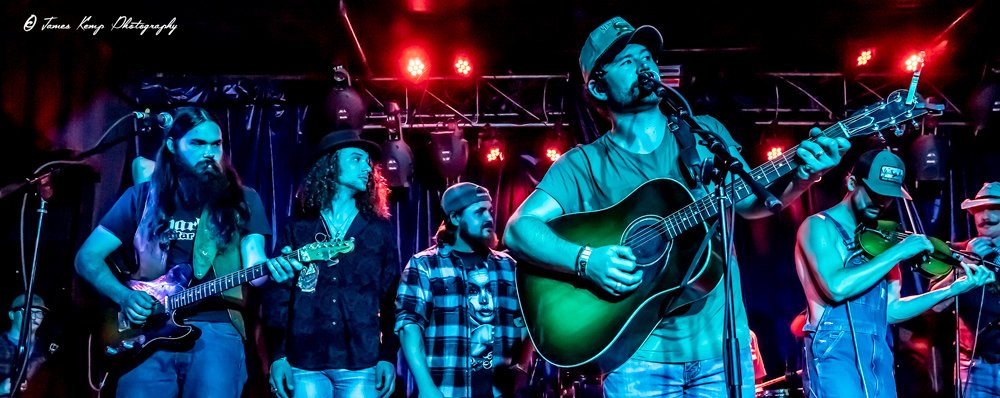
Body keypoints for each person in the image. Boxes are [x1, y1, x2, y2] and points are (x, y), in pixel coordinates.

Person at [504, 16, 849, 397]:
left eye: (647, 56)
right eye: (627, 61)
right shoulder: (583, 164)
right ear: (599, 87)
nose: (646, 65)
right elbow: (519, 229)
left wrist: (806, 176)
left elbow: (751, 202)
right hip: (636, 357)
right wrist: (587, 259)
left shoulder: (704, 135)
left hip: (723, 349)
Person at [74, 106, 272, 398]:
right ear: (172, 146)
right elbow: (87, 258)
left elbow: (257, 272)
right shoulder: (141, 198)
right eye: (197, 143)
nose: (209, 153)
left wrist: (275, 268)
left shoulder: (243, 199)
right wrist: (125, 297)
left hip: (216, 327)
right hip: (146, 332)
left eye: (215, 145)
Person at [794, 149, 994, 398]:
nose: (881, 201)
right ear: (852, 182)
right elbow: (836, 287)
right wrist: (898, 253)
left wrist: (950, 289)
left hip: (878, 348)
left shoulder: (881, 241)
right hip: (834, 347)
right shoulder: (819, 226)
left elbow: (892, 311)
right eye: (874, 192)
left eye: (888, 196)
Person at [263, 129, 399, 398]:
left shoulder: (378, 230)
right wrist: (277, 356)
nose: (367, 168)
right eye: (357, 159)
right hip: (304, 360)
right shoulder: (299, 228)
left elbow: (392, 297)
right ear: (330, 164)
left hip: (361, 360)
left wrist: (388, 355)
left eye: (368, 162)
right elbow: (279, 296)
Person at [396, 182, 530, 398]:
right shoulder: (425, 265)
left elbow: (528, 323)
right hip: (446, 391)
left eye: (489, 211)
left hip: (500, 393)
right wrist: (427, 388)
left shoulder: (509, 266)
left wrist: (522, 367)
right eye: (479, 212)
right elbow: (408, 327)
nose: (488, 218)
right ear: (456, 218)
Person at [929, 181, 1000, 397]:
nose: (985, 216)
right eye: (979, 209)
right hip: (974, 368)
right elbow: (934, 304)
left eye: (994, 209)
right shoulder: (955, 253)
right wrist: (965, 267)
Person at [0, 294, 49, 396]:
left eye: (39, 312)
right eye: (28, 311)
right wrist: (1, 389)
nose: (34, 317)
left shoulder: (48, 350)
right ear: (12, 315)